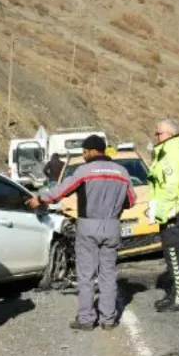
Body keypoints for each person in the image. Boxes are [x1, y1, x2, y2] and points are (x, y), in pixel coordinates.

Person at [26, 135, 135, 330]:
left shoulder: (84, 171)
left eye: (84, 152)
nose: (84, 156)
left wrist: (40, 199)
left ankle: (86, 319)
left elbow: (60, 191)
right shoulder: (122, 172)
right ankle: (108, 319)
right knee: (108, 274)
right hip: (111, 225)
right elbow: (131, 200)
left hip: (88, 226)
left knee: (86, 275)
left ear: (92, 151)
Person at [147, 119, 179, 312]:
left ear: (168, 134)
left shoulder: (171, 154)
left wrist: (160, 213)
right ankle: (175, 293)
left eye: (158, 134)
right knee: (174, 254)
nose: (156, 137)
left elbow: (170, 187)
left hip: (175, 211)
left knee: (174, 255)